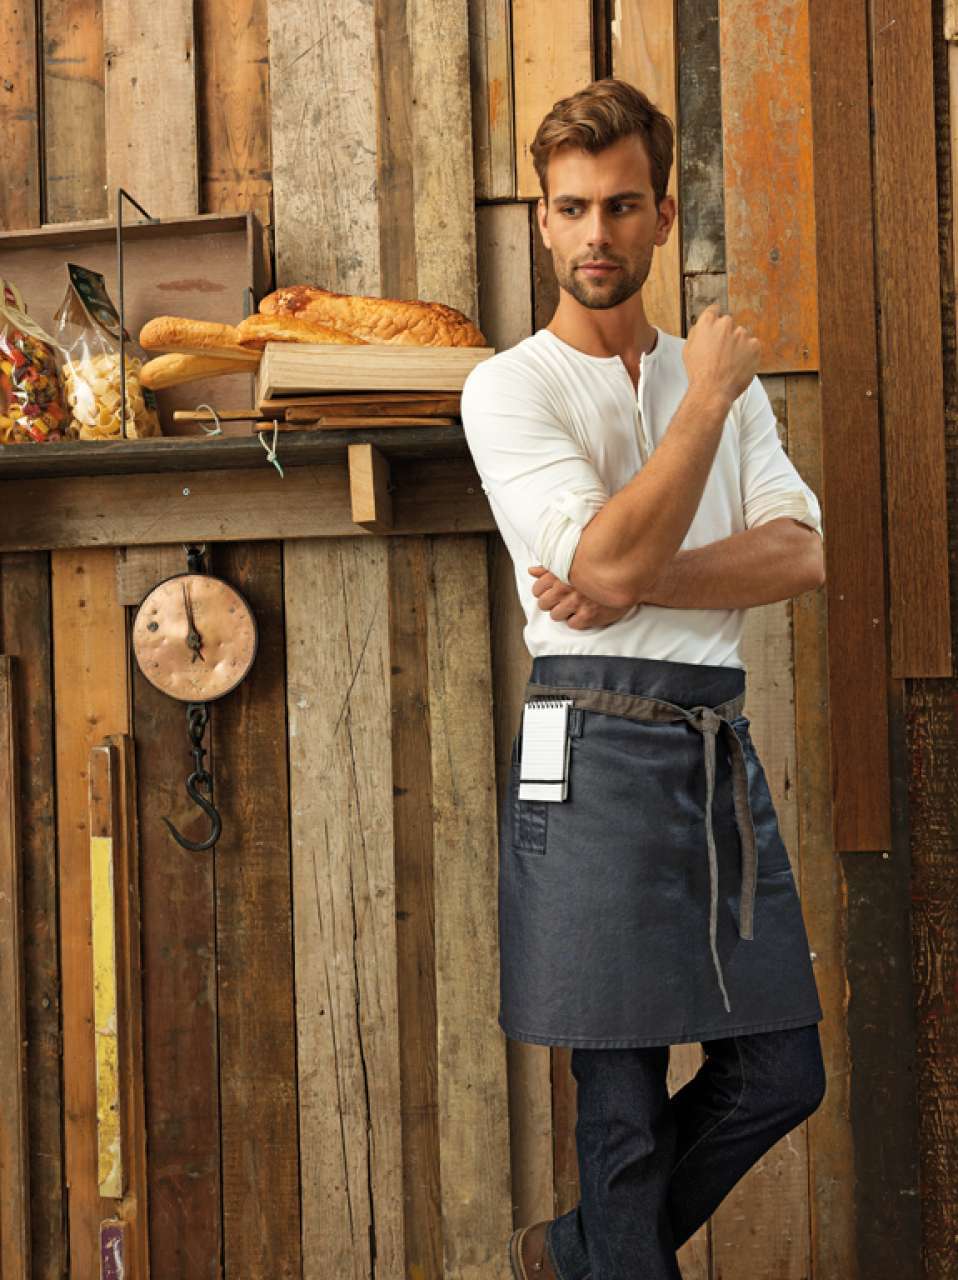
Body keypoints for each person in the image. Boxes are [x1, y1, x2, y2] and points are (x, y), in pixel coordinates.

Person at [459, 78, 828, 1280]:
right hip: (586, 751)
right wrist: (704, 402)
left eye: (621, 205)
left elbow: (799, 553)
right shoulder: (508, 387)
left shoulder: (720, 379)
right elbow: (603, 562)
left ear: (663, 215)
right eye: (571, 208)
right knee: (618, 1118)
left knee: (782, 1071)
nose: (596, 233)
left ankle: (578, 1253)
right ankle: (601, 1244)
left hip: (711, 746)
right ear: (541, 220)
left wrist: (629, 578)